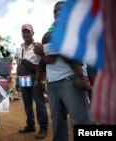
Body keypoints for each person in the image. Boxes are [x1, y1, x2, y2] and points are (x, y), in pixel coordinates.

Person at [33, 1, 91, 141]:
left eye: (61, 10)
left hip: (71, 80)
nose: (58, 13)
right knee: (58, 123)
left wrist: (45, 49)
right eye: (55, 11)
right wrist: (43, 56)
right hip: (52, 83)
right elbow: (45, 58)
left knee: (80, 120)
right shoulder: (50, 33)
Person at [16, 23, 48, 139]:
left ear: (32, 33)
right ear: (22, 34)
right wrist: (17, 81)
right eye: (24, 32)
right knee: (27, 105)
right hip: (23, 79)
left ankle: (43, 128)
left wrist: (41, 81)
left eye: (28, 31)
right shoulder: (19, 49)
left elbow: (43, 64)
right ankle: (30, 125)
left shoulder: (38, 46)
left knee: (40, 104)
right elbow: (18, 65)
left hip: (36, 79)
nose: (26, 34)